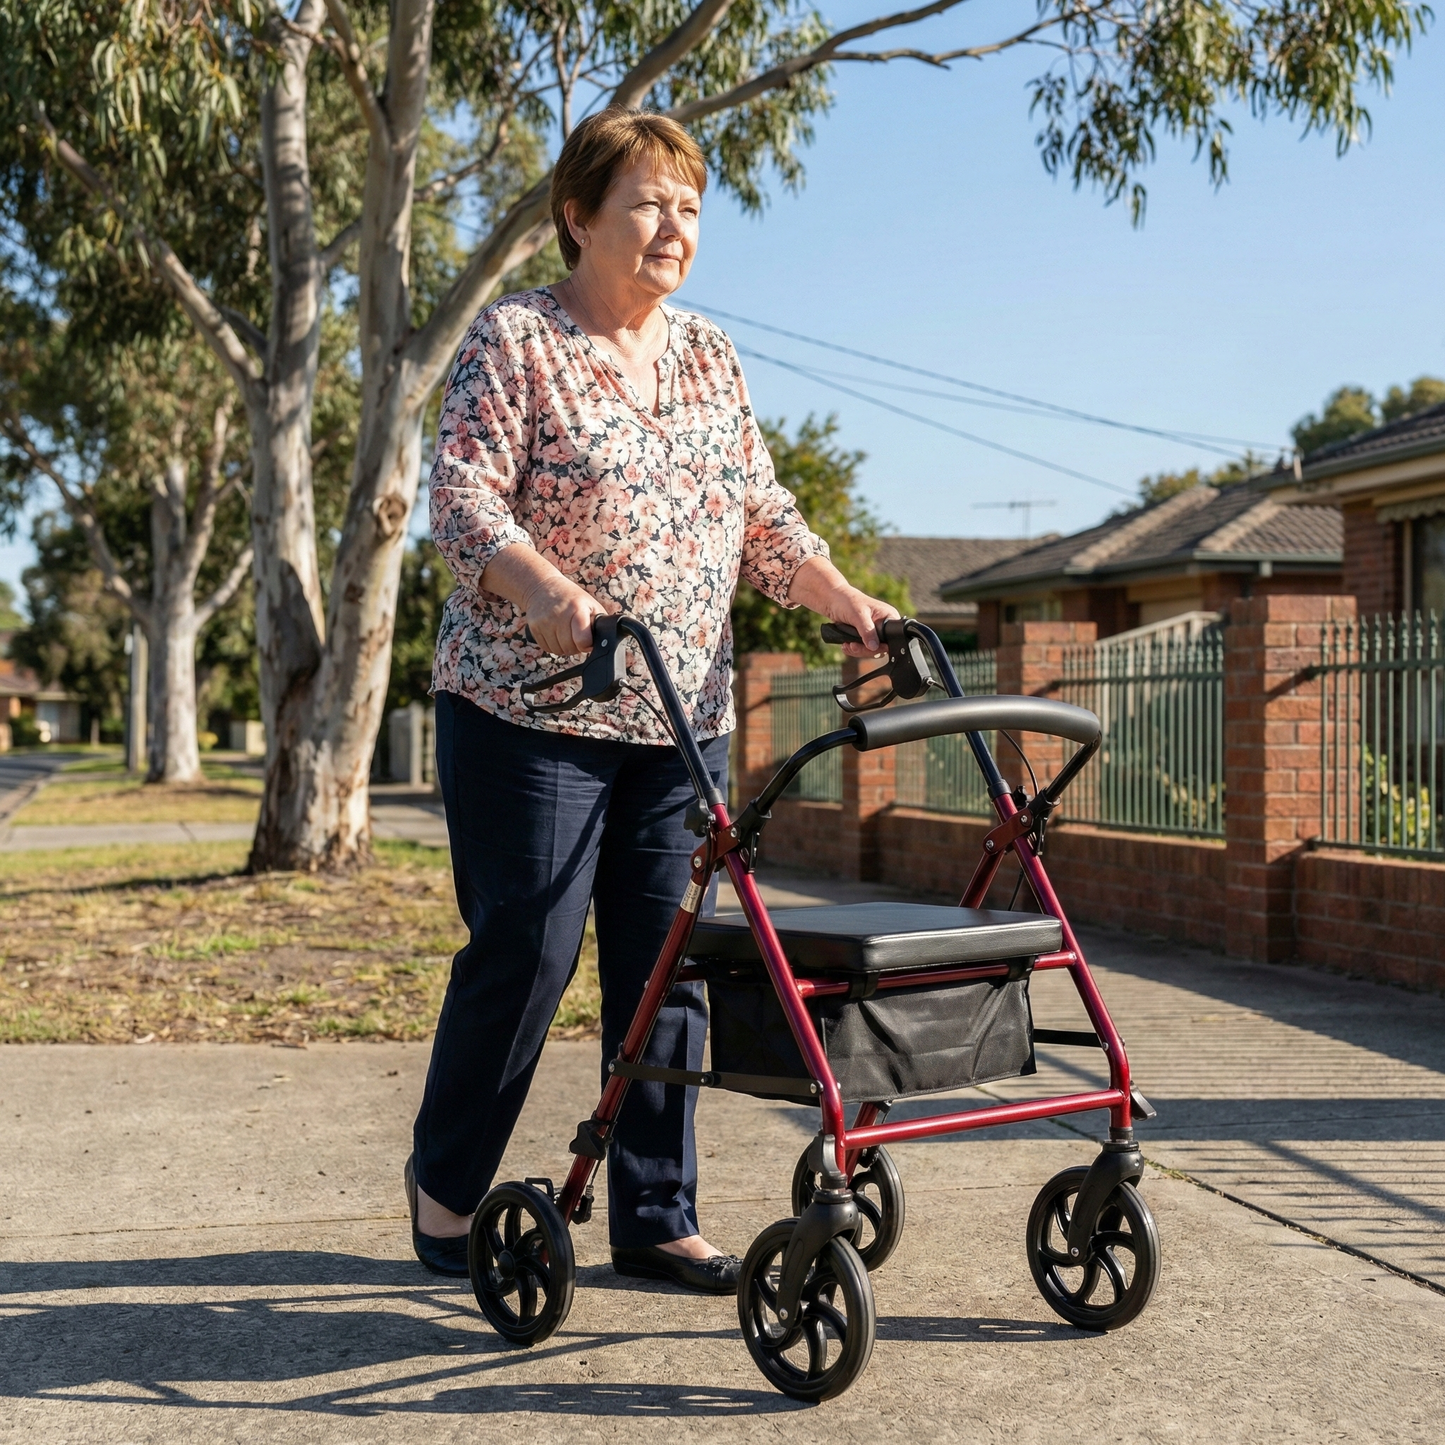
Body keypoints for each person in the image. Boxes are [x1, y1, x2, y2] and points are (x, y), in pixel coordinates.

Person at [408, 107, 898, 1293]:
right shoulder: (516, 341)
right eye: (646, 202)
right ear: (579, 217)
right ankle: (447, 1189)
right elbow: (462, 500)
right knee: (525, 950)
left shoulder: (709, 355)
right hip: (528, 708)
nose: (673, 225)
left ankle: (654, 1213)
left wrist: (836, 593)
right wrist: (540, 586)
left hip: (680, 717)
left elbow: (759, 515)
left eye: (689, 206)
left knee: (667, 969)